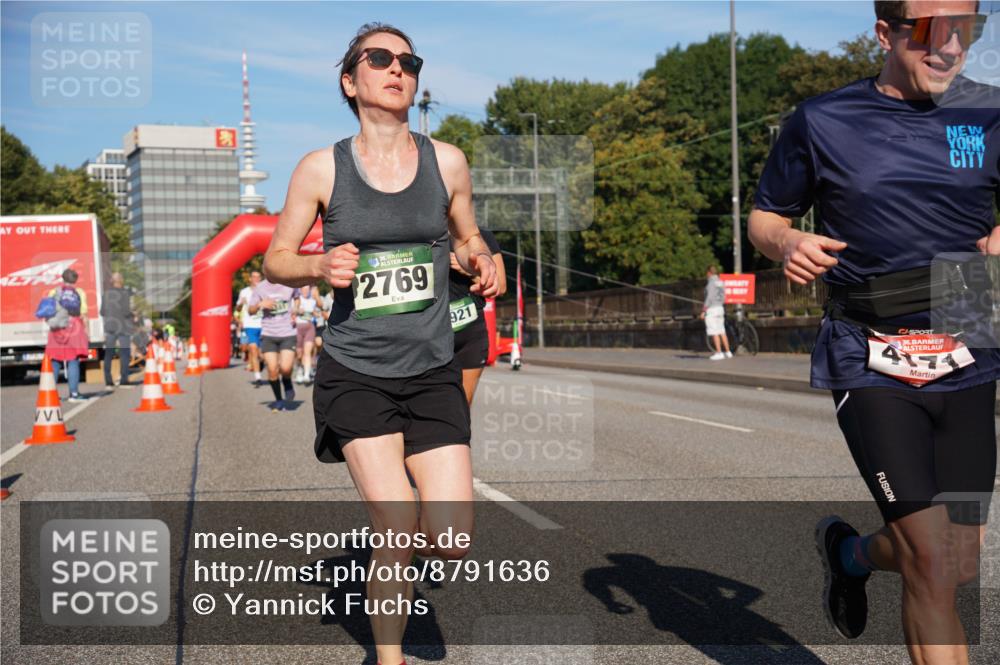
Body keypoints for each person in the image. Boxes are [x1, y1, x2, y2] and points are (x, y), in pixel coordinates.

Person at [748, 2, 997, 662]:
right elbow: (765, 215)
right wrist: (787, 240)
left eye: (965, 28)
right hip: (871, 352)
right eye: (926, 29)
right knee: (932, 564)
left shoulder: (989, 113)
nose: (947, 46)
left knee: (960, 559)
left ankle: (850, 553)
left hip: (968, 345)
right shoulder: (822, 120)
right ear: (884, 32)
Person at [261, 22, 498, 665]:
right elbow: (274, 260)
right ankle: (387, 657)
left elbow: (470, 236)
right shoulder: (320, 167)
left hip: (431, 368)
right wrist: (317, 267)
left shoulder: (447, 160)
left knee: (449, 540)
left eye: (409, 61)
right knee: (396, 525)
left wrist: (483, 258)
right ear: (350, 79)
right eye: (380, 58)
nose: (398, 69)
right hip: (357, 369)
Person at [449, 228, 506, 402]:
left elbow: (501, 286)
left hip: (469, 333)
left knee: (461, 409)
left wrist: (470, 272)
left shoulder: (481, 238)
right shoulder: (422, 234)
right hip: (431, 334)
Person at [248, 278, 299, 411]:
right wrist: (260, 304)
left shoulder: (289, 283)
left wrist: (295, 309)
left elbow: (297, 297)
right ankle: (278, 399)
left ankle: (287, 382)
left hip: (287, 332)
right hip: (268, 334)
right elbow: (250, 310)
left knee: (286, 368)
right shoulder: (260, 287)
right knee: (272, 370)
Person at [45, 268, 90, 402]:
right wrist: (87, 332)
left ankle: (49, 394)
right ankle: (74, 394)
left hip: (57, 328)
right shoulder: (80, 292)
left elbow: (48, 310)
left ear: (62, 278)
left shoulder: (53, 292)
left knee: (54, 360)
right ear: (75, 280)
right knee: (73, 360)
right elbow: (84, 315)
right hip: (74, 327)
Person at [100, 271, 133, 388]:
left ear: (111, 281)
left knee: (108, 354)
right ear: (121, 280)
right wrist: (132, 315)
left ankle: (108, 381)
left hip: (110, 327)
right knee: (124, 353)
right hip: (123, 327)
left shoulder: (106, 294)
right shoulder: (125, 293)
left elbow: (102, 312)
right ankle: (124, 380)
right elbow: (126, 311)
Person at [236, 270, 264, 386]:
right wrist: (241, 304)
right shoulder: (244, 292)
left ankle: (261, 361)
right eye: (254, 277)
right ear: (250, 279)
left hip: (264, 324)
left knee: (261, 353)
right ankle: (258, 377)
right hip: (250, 325)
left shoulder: (265, 291)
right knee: (252, 349)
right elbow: (237, 309)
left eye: (258, 277)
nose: (256, 279)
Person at [700, 265, 732, 361]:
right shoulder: (721, 282)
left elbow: (709, 297)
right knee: (722, 331)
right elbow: (724, 296)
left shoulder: (711, 283)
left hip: (712, 309)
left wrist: (703, 310)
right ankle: (728, 352)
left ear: (709, 273)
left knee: (714, 331)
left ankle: (719, 352)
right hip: (720, 307)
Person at [293, 285, 319, 384]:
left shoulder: (312, 300)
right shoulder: (296, 299)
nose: (305, 291)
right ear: (300, 290)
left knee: (307, 352)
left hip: (309, 327)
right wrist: (297, 310)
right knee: (299, 354)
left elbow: (317, 313)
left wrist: (315, 313)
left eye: (307, 289)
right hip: (298, 327)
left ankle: (306, 375)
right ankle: (299, 370)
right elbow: (291, 311)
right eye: (303, 289)